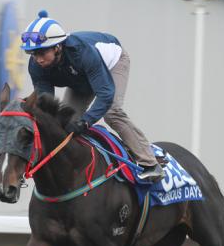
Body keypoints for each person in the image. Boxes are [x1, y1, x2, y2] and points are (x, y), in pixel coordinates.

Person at [20, 10, 164, 182]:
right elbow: (46, 103)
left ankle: (150, 163)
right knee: (64, 121)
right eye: (33, 54)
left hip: (112, 63)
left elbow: (105, 95)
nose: (38, 59)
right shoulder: (36, 66)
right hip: (80, 77)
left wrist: (85, 121)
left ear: (58, 47)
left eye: (42, 52)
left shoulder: (82, 53)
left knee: (112, 112)